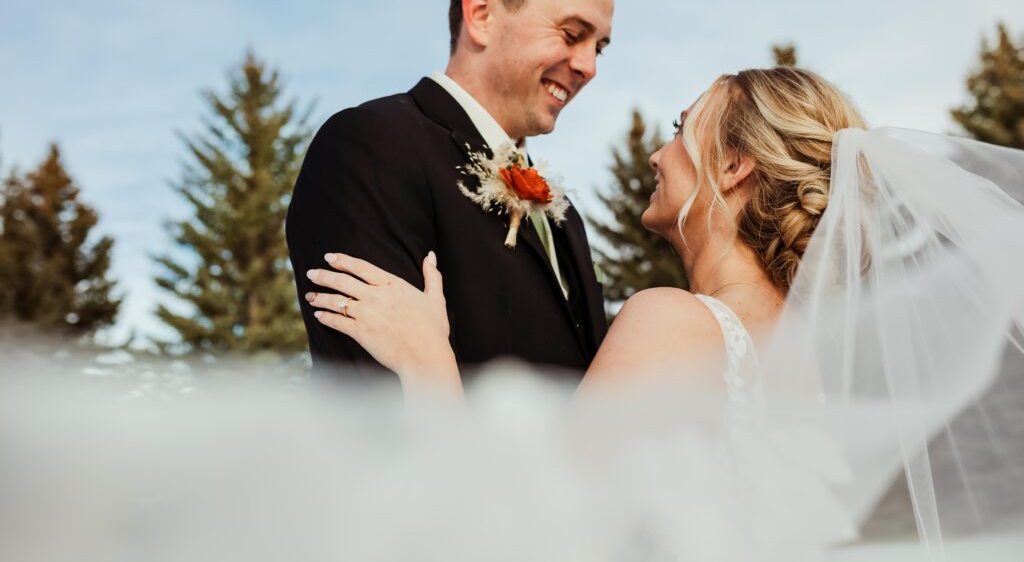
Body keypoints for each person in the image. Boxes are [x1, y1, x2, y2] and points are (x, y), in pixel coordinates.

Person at [305, 67, 1024, 553]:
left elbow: (535, 540)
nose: (657, 151)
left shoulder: (678, 323)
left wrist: (429, 368)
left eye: (683, 127)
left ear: (735, 165)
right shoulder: (820, 363)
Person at [287, 0, 616, 380]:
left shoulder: (568, 219)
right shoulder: (371, 147)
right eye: (571, 33)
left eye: (599, 47)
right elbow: (371, 409)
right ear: (481, 14)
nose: (588, 67)